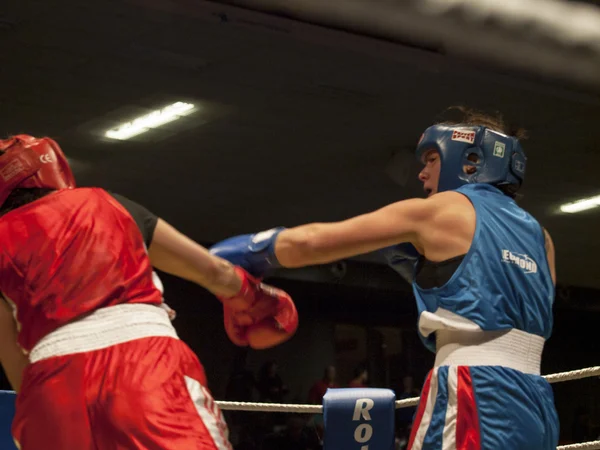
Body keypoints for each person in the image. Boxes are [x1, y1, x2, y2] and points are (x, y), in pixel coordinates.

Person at [210, 107, 559, 449]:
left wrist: (246, 253)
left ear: (468, 160)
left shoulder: (439, 211)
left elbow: (312, 242)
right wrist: (434, 282)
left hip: (472, 391)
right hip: (536, 401)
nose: (422, 173)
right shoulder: (542, 238)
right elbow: (508, 315)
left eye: (432, 160)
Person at [0, 134, 299, 449]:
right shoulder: (105, 202)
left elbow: (12, 358)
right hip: (142, 366)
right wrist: (257, 300)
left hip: (49, 390)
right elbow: (213, 271)